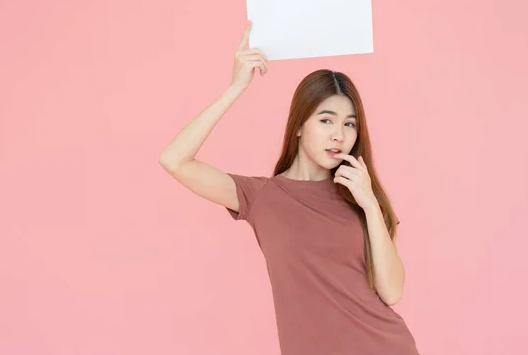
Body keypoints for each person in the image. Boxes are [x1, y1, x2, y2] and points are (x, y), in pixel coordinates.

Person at [159, 21, 420, 355]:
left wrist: (369, 205)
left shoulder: (363, 199)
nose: (339, 134)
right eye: (326, 120)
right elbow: (174, 159)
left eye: (349, 124)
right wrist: (235, 88)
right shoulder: (262, 197)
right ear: (299, 125)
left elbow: (392, 292)